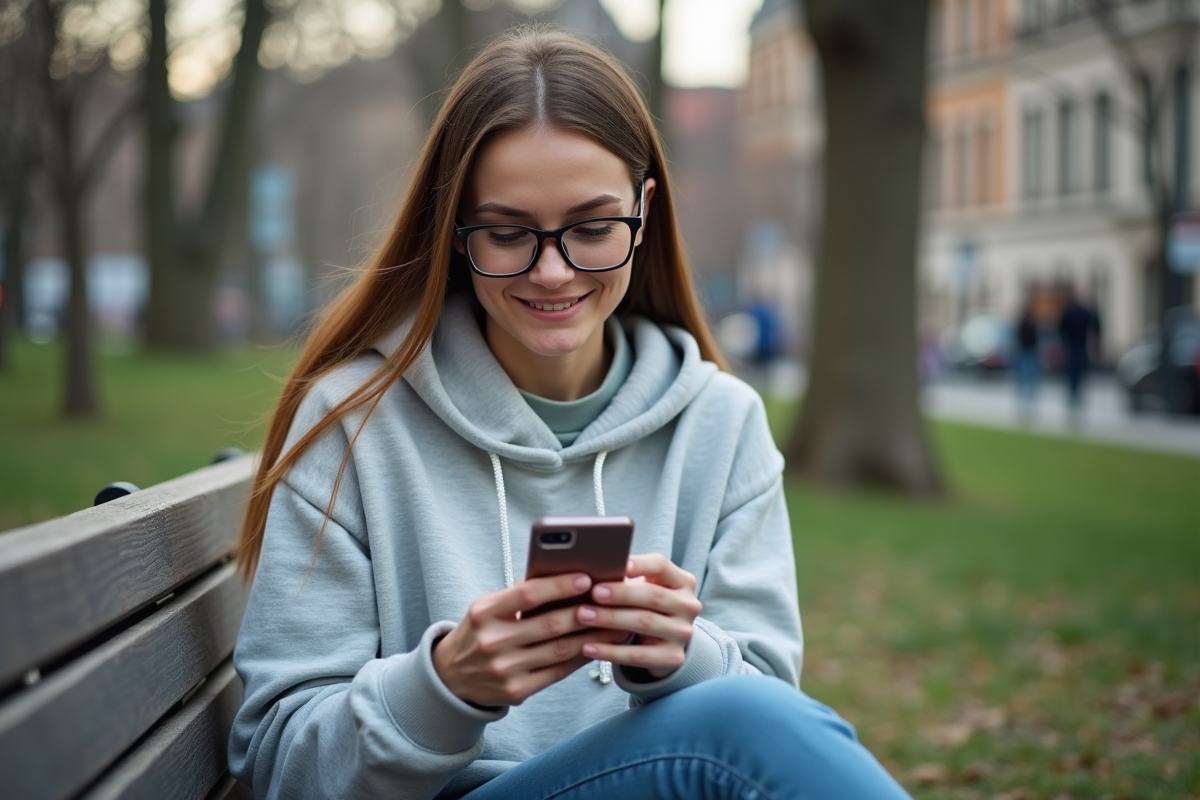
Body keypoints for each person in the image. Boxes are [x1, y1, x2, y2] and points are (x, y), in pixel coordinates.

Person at [228, 28, 911, 800]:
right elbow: (280, 766)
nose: (552, 272)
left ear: (644, 212)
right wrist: (444, 686)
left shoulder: (722, 422)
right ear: (455, 231)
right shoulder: (352, 423)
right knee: (737, 735)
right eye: (509, 232)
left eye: (592, 228)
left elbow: (766, 697)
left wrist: (683, 657)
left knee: (745, 723)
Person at [1057, 284, 1101, 421]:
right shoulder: (1083, 311)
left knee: (1073, 378)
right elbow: (1096, 327)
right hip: (1080, 348)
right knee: (1079, 378)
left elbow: (1061, 332)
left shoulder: (1068, 312)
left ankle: (1073, 402)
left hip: (1073, 348)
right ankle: (1077, 403)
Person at [1013, 298, 1041, 418]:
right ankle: (1025, 402)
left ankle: (1028, 402)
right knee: (1026, 378)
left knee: (1028, 379)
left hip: (1028, 353)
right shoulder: (1026, 324)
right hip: (1026, 352)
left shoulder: (1028, 324)